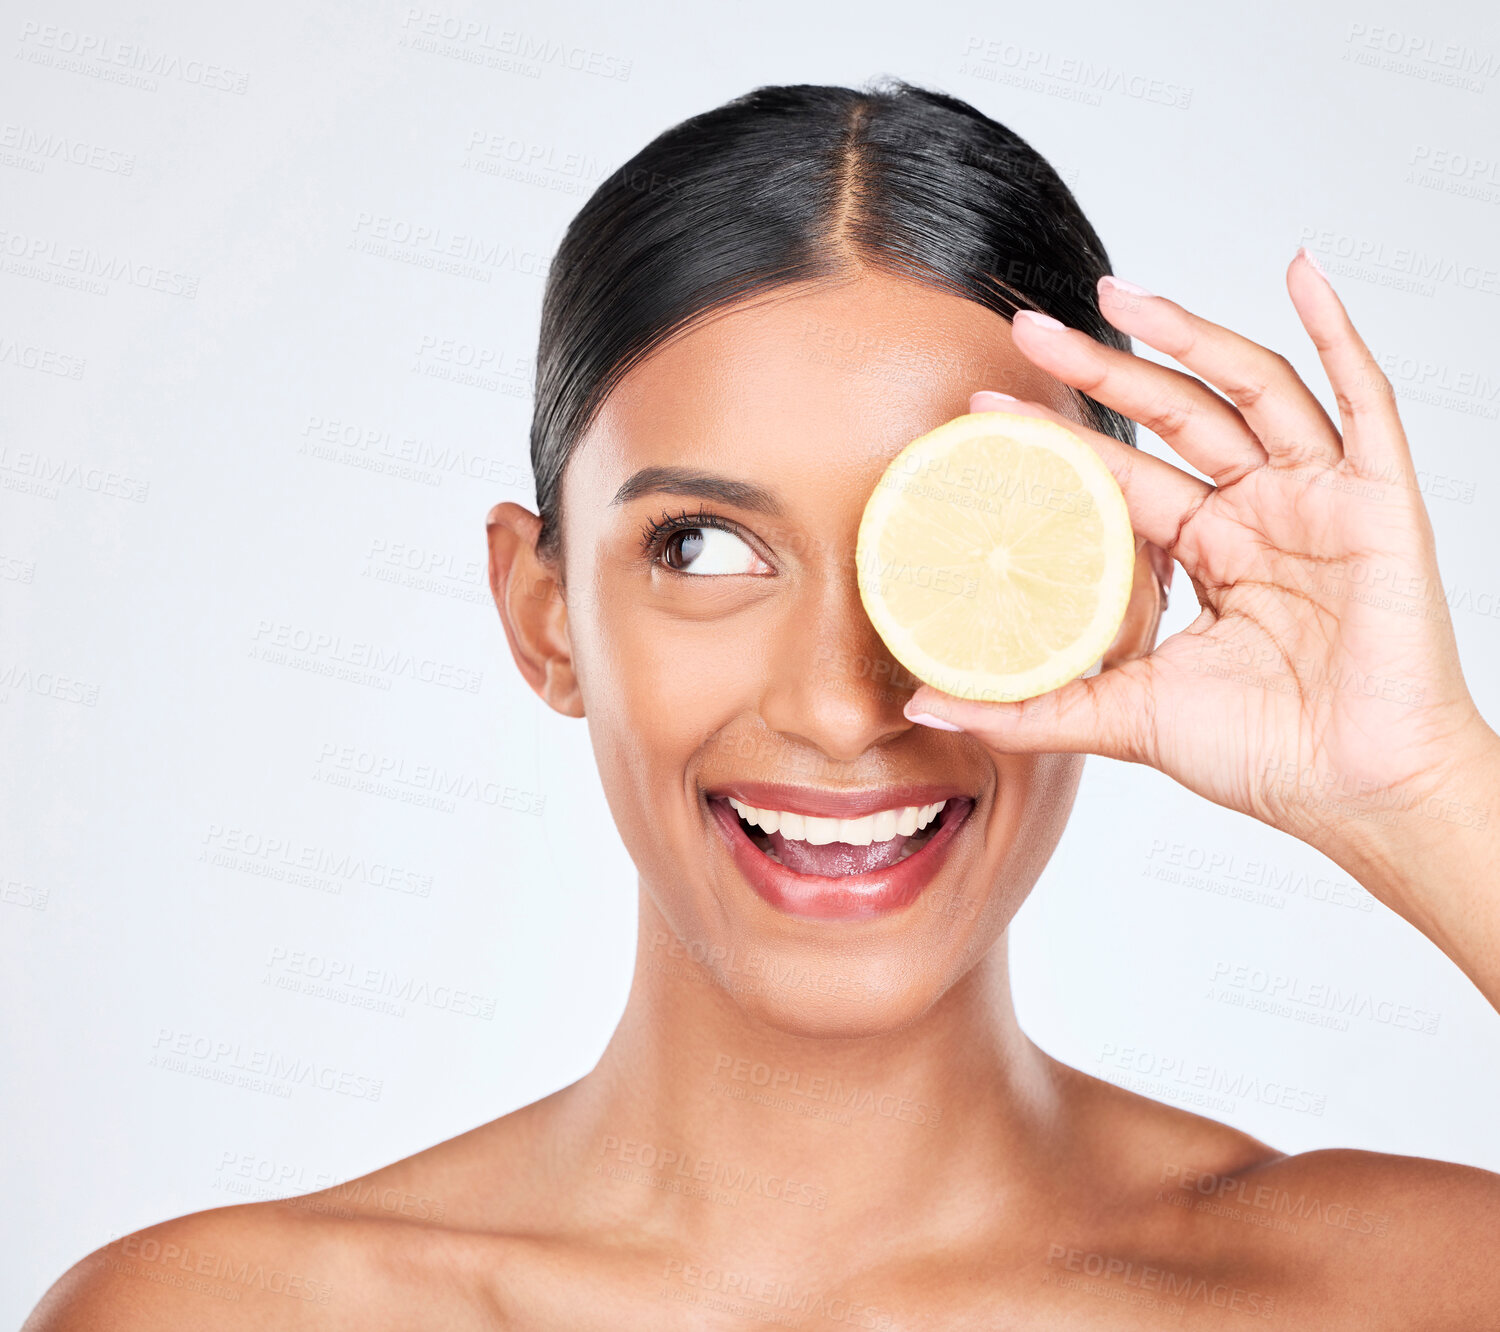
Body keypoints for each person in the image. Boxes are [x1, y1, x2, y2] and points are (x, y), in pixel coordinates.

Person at [26, 77, 1500, 1330]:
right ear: (541, 614)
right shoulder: (218, 1317)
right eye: (706, 548)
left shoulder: (1399, 1291)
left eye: (946, 546)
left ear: (1125, 592)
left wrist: (1426, 791)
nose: (844, 705)